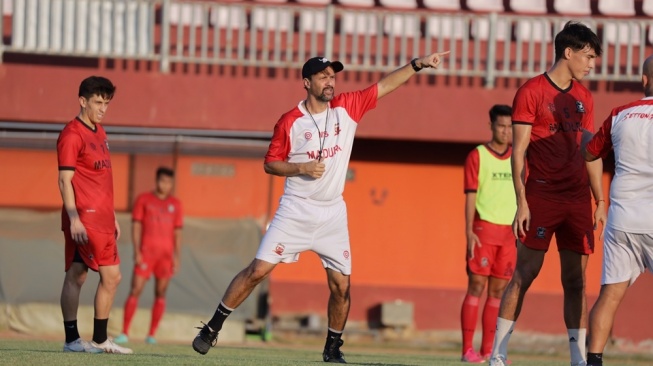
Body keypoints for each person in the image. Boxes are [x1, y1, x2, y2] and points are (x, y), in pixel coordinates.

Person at [190, 52, 449, 362]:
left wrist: (417, 65)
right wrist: (301, 168)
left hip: (333, 213)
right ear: (307, 82)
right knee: (257, 271)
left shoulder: (347, 107)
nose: (330, 81)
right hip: (296, 209)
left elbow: (384, 86)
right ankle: (212, 328)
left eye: (333, 75)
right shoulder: (290, 121)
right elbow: (270, 164)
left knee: (341, 285)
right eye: (323, 76)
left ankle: (332, 348)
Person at [488, 21, 606, 366]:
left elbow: (589, 151)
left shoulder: (584, 97)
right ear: (567, 53)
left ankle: (577, 358)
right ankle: (498, 354)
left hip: (577, 200)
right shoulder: (531, 91)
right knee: (524, 274)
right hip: (541, 196)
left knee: (575, 280)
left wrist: (599, 200)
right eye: (588, 56)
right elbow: (519, 151)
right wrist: (521, 202)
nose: (592, 64)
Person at [582, 55, 653, 366]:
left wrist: (600, 200)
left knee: (609, 296)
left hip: (622, 215)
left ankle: (593, 361)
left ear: (644, 80)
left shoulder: (620, 113)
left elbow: (590, 153)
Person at [57, 76, 132, 354]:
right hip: (83, 219)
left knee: (100, 276)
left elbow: (101, 179)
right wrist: (74, 217)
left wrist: (111, 216)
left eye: (107, 103)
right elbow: (65, 180)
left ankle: (96, 339)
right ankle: (74, 339)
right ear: (82, 101)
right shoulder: (71, 134)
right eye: (98, 102)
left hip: (102, 219)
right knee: (84, 275)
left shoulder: (100, 132)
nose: (103, 108)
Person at [460, 105, 516, 363]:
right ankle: (467, 350)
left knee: (498, 292)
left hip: (509, 235)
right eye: (501, 126)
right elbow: (470, 196)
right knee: (476, 286)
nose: (506, 131)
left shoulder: (519, 156)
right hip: (483, 230)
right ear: (491, 126)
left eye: (509, 126)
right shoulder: (478, 155)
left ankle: (489, 351)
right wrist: (469, 232)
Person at [114, 167, 183, 345]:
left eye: (168, 182)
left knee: (160, 292)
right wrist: (137, 251)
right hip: (146, 254)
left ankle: (151, 334)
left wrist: (177, 256)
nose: (165, 185)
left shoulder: (176, 204)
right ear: (156, 180)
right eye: (162, 181)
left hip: (166, 256)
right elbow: (136, 226)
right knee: (135, 289)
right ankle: (124, 332)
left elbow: (177, 232)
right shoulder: (144, 199)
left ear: (172, 183)